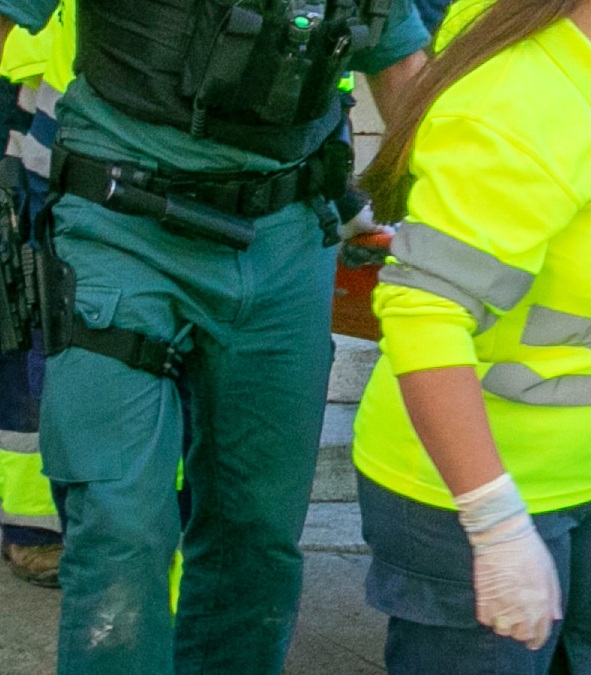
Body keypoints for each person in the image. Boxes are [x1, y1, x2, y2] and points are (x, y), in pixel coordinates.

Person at [0, 1, 430, 672]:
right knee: (121, 529)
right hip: (120, 219)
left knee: (256, 537)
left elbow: (400, 60)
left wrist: (440, 216)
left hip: (286, 232)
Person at [351, 0, 591, 672]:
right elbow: (424, 316)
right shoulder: (521, 101)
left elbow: (586, 196)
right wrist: (494, 524)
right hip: (477, 487)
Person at [0, 21, 60, 588]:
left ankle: (32, 528)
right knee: (23, 313)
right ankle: (33, 532)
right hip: (26, 103)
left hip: (34, 97)